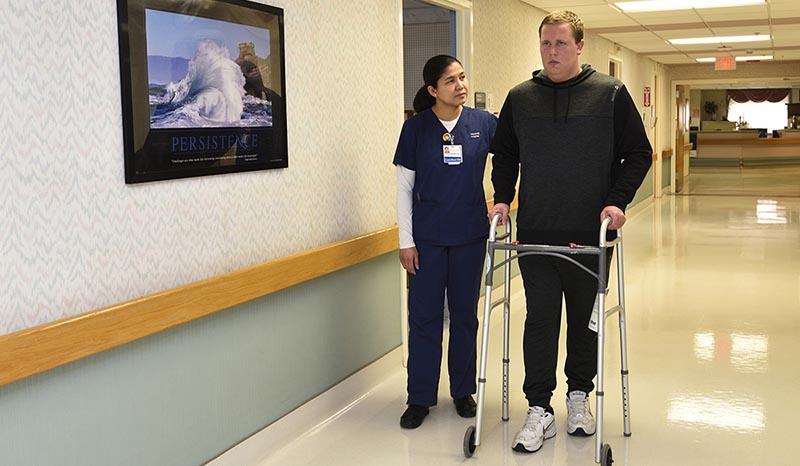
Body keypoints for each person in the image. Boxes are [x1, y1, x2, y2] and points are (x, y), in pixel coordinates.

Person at [487, 10, 652, 453]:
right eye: (545, 44)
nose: (552, 52)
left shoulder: (610, 94)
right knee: (539, 321)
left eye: (561, 44)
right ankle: (539, 408)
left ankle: (579, 395)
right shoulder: (521, 97)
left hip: (589, 234)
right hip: (537, 231)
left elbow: (639, 152)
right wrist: (503, 197)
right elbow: (503, 154)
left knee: (584, 322)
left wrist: (617, 201)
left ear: (580, 46)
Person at [393, 55, 498, 429]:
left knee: (465, 317)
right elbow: (404, 189)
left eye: (463, 77)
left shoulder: (484, 124)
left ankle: (462, 390)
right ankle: (420, 397)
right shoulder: (416, 129)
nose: (461, 85)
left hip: (470, 236)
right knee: (424, 319)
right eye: (451, 81)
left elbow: (510, 160)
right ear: (433, 90)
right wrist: (406, 242)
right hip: (427, 241)